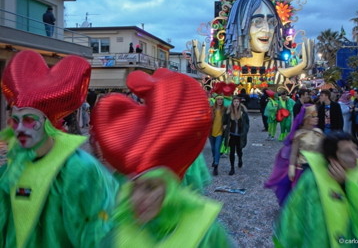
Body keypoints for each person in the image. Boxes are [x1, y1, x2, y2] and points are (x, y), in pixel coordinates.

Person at [90, 68, 233, 247]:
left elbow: (197, 184)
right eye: (134, 187)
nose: (138, 198)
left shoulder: (206, 234)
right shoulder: (116, 232)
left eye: (150, 187)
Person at [0, 50, 118, 248]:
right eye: (15, 120)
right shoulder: (10, 169)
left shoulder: (80, 170)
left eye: (29, 120)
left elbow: (100, 232)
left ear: (48, 125)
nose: (19, 128)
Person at [274, 132, 358, 247]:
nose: (356, 155)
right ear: (332, 158)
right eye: (347, 152)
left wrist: (347, 185)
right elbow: (295, 217)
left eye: (355, 149)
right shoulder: (312, 179)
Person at [193, 0, 314, 83]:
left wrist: (298, 69)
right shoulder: (222, 64)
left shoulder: (280, 65)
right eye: (258, 22)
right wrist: (211, 71)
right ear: (239, 25)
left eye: (271, 22)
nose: (267, 29)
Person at [266, 104, 324, 206]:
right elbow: (293, 153)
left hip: (316, 169)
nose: (316, 118)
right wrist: (291, 167)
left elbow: (322, 151)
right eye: (313, 116)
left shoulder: (318, 133)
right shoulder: (299, 135)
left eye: (316, 116)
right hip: (302, 168)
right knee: (300, 192)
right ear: (306, 118)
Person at [223, 96, 249, 175]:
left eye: (237, 101)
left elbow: (247, 123)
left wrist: (245, 131)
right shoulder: (229, 111)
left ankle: (240, 158)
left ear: (239, 102)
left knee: (239, 150)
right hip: (232, 134)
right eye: (235, 101)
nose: (236, 103)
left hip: (240, 134)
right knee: (231, 151)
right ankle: (232, 168)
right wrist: (225, 128)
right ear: (232, 102)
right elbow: (224, 121)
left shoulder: (243, 111)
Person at [209, 95, 226, 176]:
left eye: (221, 99)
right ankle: (214, 158)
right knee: (213, 148)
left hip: (220, 132)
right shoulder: (212, 109)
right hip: (211, 132)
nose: (220, 101)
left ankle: (216, 166)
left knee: (217, 148)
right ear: (216, 100)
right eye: (218, 99)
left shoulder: (225, 110)